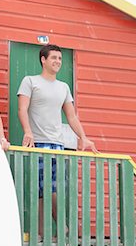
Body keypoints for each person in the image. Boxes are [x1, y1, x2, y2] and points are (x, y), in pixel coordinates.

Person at [17, 44, 98, 235]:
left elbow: (71, 117)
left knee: (51, 188)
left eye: (60, 59)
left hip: (58, 145)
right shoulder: (30, 81)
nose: (57, 62)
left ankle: (55, 231)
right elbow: (22, 109)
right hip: (38, 143)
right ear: (43, 60)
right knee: (41, 189)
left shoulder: (63, 87)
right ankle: (54, 231)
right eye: (53, 58)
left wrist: (84, 138)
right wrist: (28, 132)